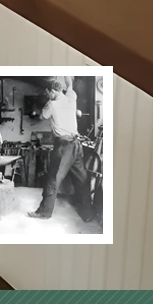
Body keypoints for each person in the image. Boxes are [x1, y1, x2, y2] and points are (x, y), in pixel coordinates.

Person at [28, 77, 94, 223]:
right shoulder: (71, 97)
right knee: (81, 179)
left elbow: (41, 116)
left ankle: (44, 212)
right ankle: (88, 214)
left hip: (63, 146)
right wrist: (67, 76)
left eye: (47, 93)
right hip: (77, 145)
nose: (47, 96)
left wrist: (36, 112)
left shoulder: (52, 104)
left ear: (52, 91)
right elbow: (70, 85)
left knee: (52, 179)